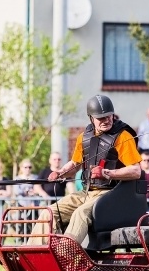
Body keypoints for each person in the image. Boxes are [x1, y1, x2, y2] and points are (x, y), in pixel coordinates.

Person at [30, 95, 141, 246]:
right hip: (86, 192)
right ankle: (35, 256)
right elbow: (75, 163)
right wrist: (60, 173)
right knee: (48, 212)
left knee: (80, 214)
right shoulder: (84, 137)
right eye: (100, 118)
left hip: (112, 194)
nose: (106, 120)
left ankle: (65, 253)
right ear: (91, 118)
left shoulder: (123, 137)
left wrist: (107, 173)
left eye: (109, 116)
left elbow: (136, 171)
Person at [13, 159, 39, 236]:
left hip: (33, 205)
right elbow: (17, 191)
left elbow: (38, 189)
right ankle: (21, 241)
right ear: (21, 168)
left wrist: (34, 192)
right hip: (21, 206)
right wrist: (27, 192)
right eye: (25, 167)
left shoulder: (35, 177)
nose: (28, 169)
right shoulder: (17, 178)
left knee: (34, 226)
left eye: (29, 167)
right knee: (21, 225)